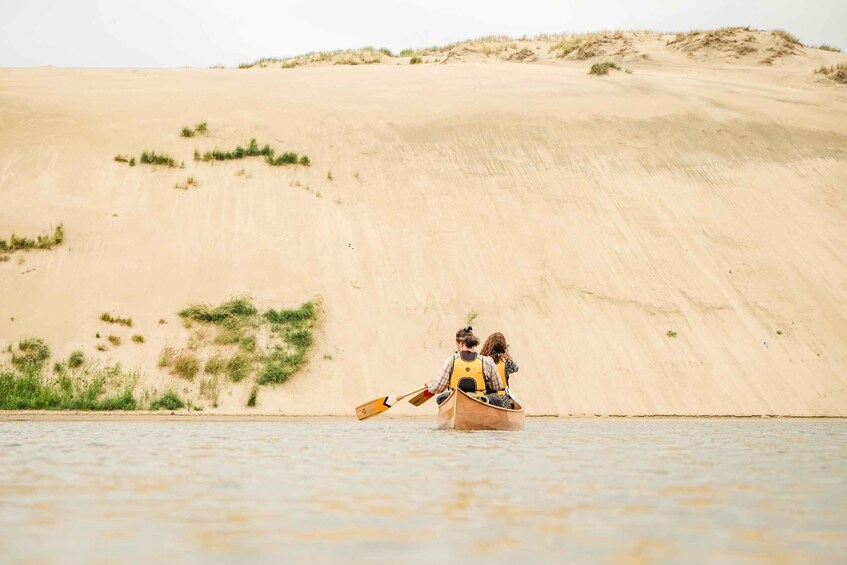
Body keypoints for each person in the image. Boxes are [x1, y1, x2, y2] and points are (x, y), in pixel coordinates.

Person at [422, 326, 504, 406]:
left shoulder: (450, 361)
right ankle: (484, 401)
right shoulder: (487, 362)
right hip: (478, 401)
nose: (457, 346)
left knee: (441, 397)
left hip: (456, 400)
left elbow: (437, 388)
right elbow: (497, 386)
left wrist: (430, 385)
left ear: (461, 344)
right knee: (496, 398)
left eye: (457, 344)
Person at [480, 332, 519, 408]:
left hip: (486, 399)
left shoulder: (482, 361)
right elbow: (515, 368)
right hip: (503, 400)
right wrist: (507, 353)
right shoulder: (506, 362)